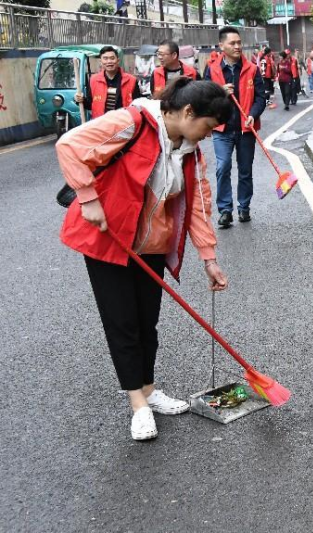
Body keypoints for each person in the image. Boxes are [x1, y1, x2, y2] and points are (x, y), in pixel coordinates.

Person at [56, 78, 233, 441]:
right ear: (187, 112)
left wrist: (209, 258)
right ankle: (137, 405)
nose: (209, 135)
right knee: (123, 323)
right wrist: (88, 198)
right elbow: (69, 145)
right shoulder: (131, 123)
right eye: (208, 126)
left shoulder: (190, 150)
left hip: (152, 244)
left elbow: (198, 205)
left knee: (146, 322)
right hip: (110, 241)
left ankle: (150, 391)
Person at [204, 26, 266, 228]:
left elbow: (260, 98)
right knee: (223, 167)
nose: (238, 46)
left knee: (245, 170)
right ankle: (224, 210)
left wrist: (252, 115)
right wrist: (220, 91)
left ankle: (244, 206)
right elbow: (203, 97)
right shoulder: (211, 69)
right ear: (221, 45)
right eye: (233, 43)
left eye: (239, 42)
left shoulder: (252, 69)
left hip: (246, 129)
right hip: (222, 128)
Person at [75, 45, 140, 117]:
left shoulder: (131, 80)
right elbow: (91, 105)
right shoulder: (94, 80)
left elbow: (137, 106)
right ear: (100, 61)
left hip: (124, 124)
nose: (109, 61)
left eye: (112, 58)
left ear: (118, 60)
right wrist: (81, 100)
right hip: (101, 124)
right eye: (105, 58)